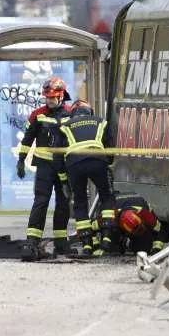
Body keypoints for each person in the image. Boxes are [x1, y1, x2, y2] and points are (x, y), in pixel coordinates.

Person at [17, 76, 72, 260]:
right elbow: (27, 139)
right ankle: (32, 241)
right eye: (47, 97)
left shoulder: (71, 113)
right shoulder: (38, 114)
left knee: (63, 204)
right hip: (44, 166)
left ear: (61, 96)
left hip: (64, 167)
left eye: (52, 97)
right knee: (41, 202)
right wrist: (21, 159)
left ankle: (61, 243)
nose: (49, 101)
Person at [56, 100, 115, 257]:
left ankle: (87, 245)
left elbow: (58, 158)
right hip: (97, 160)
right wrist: (107, 162)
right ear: (90, 112)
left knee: (80, 202)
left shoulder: (65, 126)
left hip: (74, 165)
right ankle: (107, 237)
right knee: (106, 196)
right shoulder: (101, 121)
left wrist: (64, 181)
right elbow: (110, 146)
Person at [98, 192, 164, 255]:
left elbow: (159, 229)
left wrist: (157, 249)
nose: (139, 233)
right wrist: (97, 245)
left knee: (144, 248)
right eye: (137, 232)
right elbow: (94, 225)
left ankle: (127, 243)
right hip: (116, 216)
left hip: (134, 205)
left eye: (140, 229)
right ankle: (121, 241)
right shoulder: (110, 213)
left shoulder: (145, 212)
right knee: (111, 244)